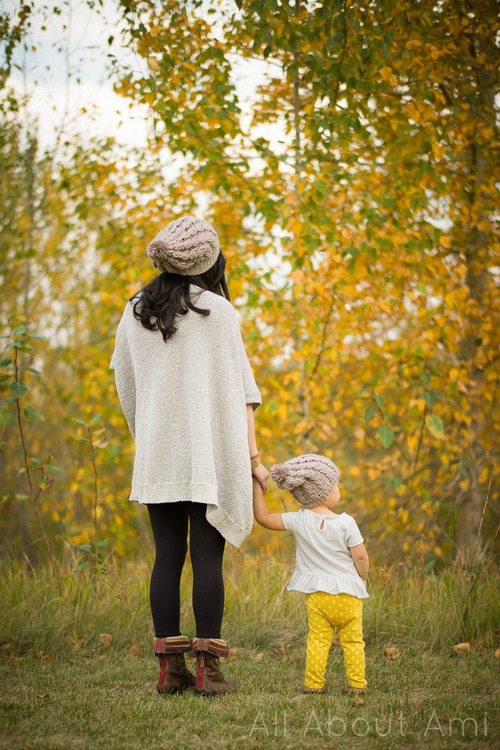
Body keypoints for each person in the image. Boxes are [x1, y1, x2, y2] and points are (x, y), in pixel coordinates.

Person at [110, 215, 269, 696]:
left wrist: (149, 435)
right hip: (208, 456)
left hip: (158, 455)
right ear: (208, 258)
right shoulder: (218, 312)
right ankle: (208, 670)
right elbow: (242, 392)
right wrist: (254, 459)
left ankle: (168, 669)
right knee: (206, 559)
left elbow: (124, 382)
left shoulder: (135, 310)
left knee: (166, 557)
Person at [252, 453, 369, 694]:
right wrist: (362, 577)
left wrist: (255, 485)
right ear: (324, 492)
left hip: (317, 597)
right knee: (353, 641)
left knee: (317, 640)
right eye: (336, 485)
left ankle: (314, 684)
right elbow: (360, 556)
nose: (339, 488)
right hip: (348, 595)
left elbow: (263, 518)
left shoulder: (299, 520)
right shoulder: (347, 523)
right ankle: (357, 684)